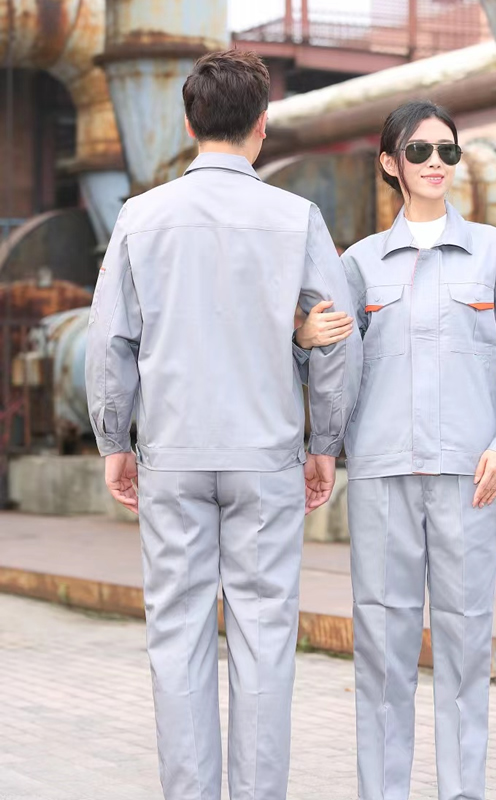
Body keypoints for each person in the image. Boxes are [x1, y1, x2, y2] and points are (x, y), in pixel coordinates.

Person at [85, 50, 362, 800]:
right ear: (262, 126)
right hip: (266, 457)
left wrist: (114, 441)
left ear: (188, 124)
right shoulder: (296, 218)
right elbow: (336, 337)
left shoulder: (139, 218)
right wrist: (325, 443)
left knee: (177, 636)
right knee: (265, 637)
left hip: (171, 453)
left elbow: (109, 341)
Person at [295, 100, 496, 800]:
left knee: (465, 647)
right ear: (390, 162)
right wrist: (303, 340)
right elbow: (330, 365)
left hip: (470, 478)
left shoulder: (494, 253)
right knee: (382, 651)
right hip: (382, 477)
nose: (436, 163)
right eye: (419, 151)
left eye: (447, 151)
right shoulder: (358, 264)